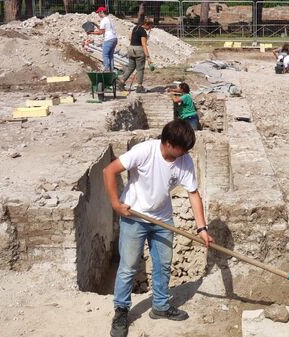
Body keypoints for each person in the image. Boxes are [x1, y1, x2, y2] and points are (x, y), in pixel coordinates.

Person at [103, 120, 214, 337]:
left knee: (163, 265)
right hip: (134, 217)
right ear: (169, 142)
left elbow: (193, 193)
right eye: (181, 149)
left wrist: (202, 228)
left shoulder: (184, 160)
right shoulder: (144, 151)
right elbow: (109, 170)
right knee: (128, 267)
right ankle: (121, 311)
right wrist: (116, 204)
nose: (184, 154)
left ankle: (161, 306)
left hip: (163, 220)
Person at [118, 19, 153, 94]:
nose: (150, 28)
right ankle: (139, 87)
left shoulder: (135, 28)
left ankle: (121, 82)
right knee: (140, 69)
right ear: (147, 24)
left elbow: (130, 38)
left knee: (130, 67)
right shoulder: (143, 31)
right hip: (138, 50)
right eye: (150, 26)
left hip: (131, 49)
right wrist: (148, 57)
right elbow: (144, 44)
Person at [88, 6, 118, 72]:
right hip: (114, 38)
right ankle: (111, 70)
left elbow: (100, 32)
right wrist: (96, 25)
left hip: (108, 39)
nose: (98, 14)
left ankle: (106, 70)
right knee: (110, 55)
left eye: (98, 13)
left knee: (105, 55)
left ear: (101, 12)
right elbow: (103, 29)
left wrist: (91, 32)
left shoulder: (103, 20)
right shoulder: (109, 19)